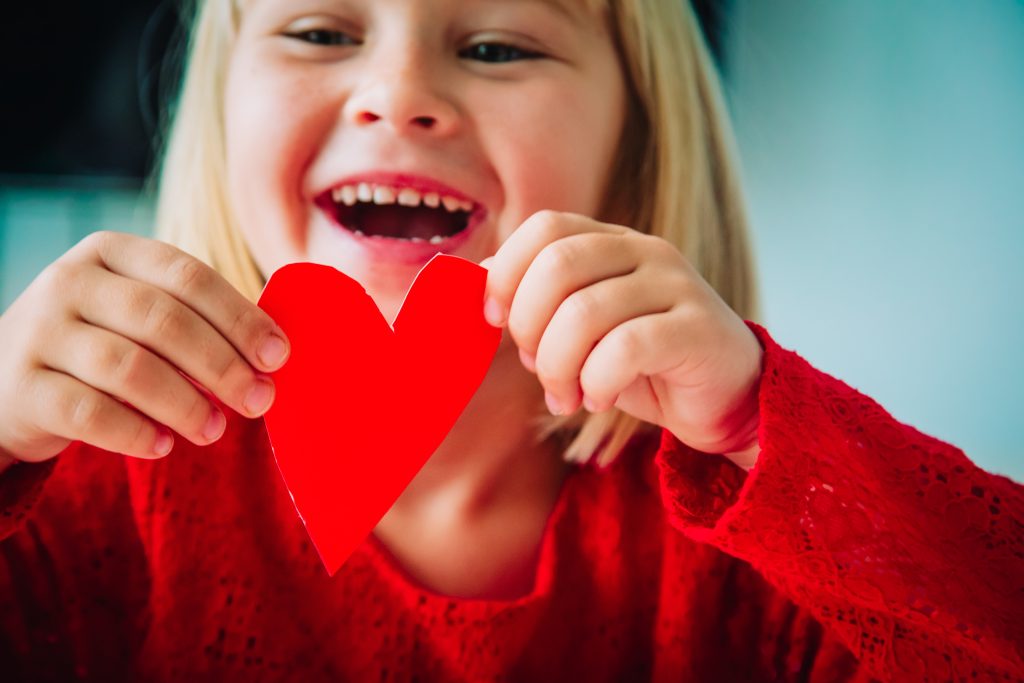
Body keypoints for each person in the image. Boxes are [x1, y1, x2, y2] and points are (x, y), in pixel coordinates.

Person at [0, 0, 1020, 679]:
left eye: (497, 46)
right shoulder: (97, 492)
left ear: (637, 136)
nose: (397, 95)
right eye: (318, 31)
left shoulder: (764, 538)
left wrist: (765, 425)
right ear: (220, 113)